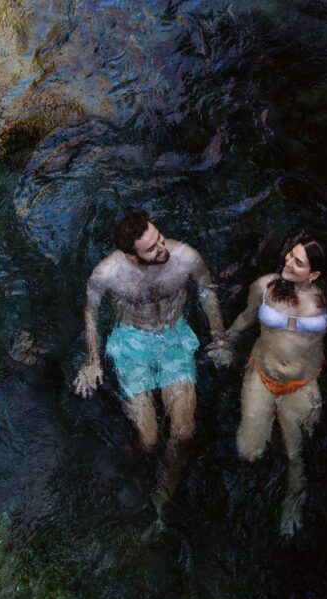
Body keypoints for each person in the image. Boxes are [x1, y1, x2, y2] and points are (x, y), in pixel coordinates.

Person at [73, 210, 232, 521]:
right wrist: (92, 361)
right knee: (148, 440)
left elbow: (207, 292)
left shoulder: (185, 257)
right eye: (153, 248)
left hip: (174, 339)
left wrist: (220, 339)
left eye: (160, 239)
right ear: (130, 254)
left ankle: (164, 491)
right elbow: (91, 313)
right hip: (132, 344)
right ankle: (127, 468)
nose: (163, 249)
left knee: (184, 432)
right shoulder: (107, 273)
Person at [223, 235, 327, 536]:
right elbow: (246, 317)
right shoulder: (265, 286)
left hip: (303, 381)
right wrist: (225, 341)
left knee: (295, 453)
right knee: (249, 452)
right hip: (262, 375)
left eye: (298, 262)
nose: (288, 263)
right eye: (289, 256)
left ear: (315, 274)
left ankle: (294, 496)